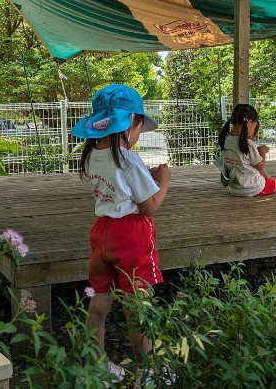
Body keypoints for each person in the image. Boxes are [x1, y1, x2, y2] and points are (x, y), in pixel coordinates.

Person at [71, 84, 171, 380]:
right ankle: (150, 372)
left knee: (99, 305)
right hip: (129, 236)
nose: (140, 134)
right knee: (136, 307)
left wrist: (145, 179)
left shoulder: (92, 156)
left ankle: (96, 370)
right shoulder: (128, 158)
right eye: (140, 126)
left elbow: (118, 188)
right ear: (130, 123)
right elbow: (149, 206)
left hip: (101, 234)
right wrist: (164, 180)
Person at [218, 103, 276, 197]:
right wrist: (262, 151)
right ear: (249, 122)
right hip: (253, 187)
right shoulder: (248, 143)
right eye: (254, 126)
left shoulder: (227, 140)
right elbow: (260, 166)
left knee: (271, 182)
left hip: (235, 189)